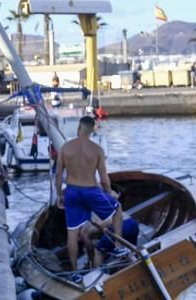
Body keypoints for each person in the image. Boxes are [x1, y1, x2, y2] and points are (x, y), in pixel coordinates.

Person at [54, 116, 126, 283]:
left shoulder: (65, 148)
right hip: (91, 191)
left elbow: (58, 175)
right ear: (92, 130)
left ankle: (74, 272)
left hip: (71, 191)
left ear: (79, 127)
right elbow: (104, 179)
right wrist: (110, 194)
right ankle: (118, 247)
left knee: (72, 233)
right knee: (118, 210)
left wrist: (59, 195)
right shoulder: (97, 150)